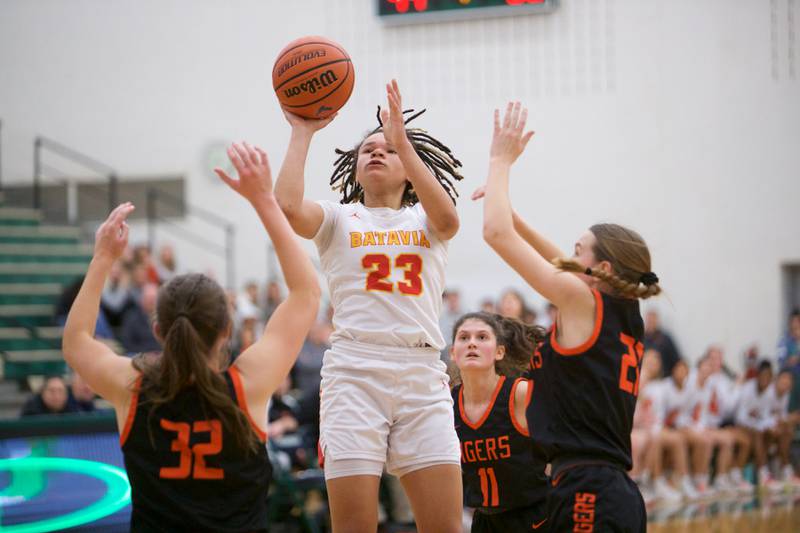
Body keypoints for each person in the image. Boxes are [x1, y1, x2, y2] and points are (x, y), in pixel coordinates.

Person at [61, 142, 320, 532]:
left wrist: (102, 258)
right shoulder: (247, 385)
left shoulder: (133, 386)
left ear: (157, 331)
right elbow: (306, 292)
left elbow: (77, 339)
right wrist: (263, 199)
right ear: (227, 331)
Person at [274, 79, 465, 532]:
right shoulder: (338, 217)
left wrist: (403, 140)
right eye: (367, 150)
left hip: (421, 374)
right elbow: (287, 204)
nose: (376, 153)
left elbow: (450, 219)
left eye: (388, 150)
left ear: (409, 167)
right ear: (354, 169)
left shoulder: (426, 219)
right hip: (354, 373)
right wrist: (302, 131)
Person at [478, 102, 657, 531]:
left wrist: (499, 163)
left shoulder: (586, 304)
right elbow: (556, 260)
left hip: (588, 493)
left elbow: (494, 234)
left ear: (604, 271)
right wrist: (516, 215)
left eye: (580, 253)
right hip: (603, 489)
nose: (568, 261)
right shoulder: (622, 312)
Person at [450, 312, 549, 532]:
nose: (472, 343)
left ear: (499, 352)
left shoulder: (520, 394)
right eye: (464, 337)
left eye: (482, 337)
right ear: (452, 353)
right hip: (485, 521)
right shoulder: (447, 403)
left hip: (535, 517)